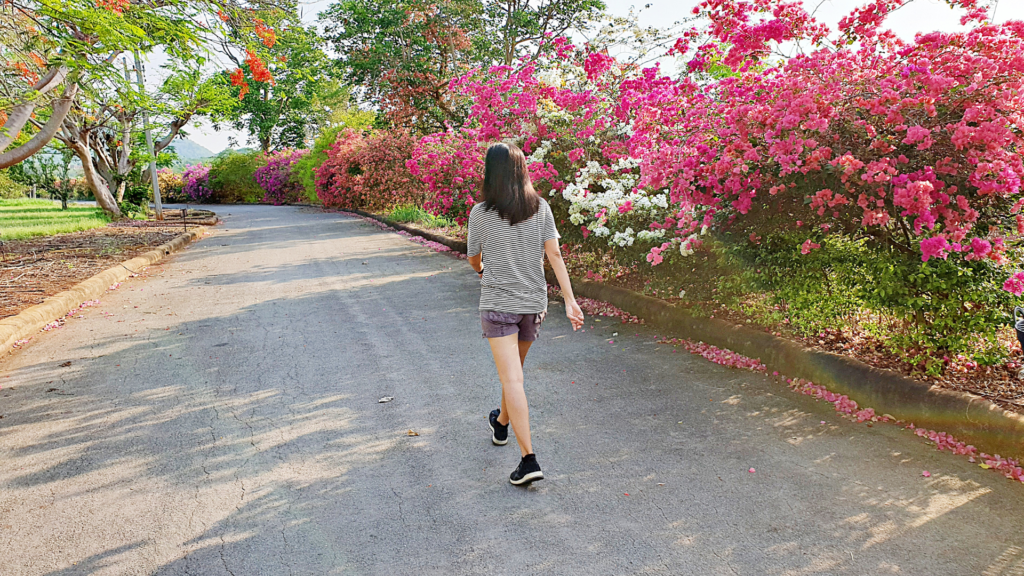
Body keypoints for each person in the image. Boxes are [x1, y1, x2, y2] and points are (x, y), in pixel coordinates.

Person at [467, 142, 585, 486]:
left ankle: (528, 459)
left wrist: (481, 270)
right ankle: (501, 423)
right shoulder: (541, 207)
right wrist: (569, 300)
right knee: (514, 375)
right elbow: (555, 255)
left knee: (512, 379)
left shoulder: (480, 212)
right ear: (521, 170)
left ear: (491, 173)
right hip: (533, 305)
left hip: (499, 304)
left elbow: (473, 256)